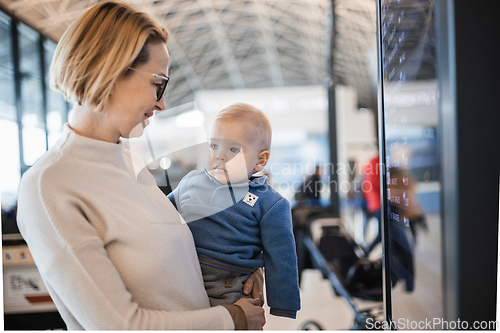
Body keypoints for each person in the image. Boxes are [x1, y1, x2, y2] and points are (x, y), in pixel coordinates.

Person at [16, 1, 265, 330]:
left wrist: (234, 268)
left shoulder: (125, 160)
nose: (162, 103)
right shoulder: (50, 186)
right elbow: (120, 325)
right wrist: (231, 319)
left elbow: (170, 271)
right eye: (157, 83)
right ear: (111, 71)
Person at [168, 103, 301, 319]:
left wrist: (284, 303)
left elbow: (281, 256)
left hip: (228, 285)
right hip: (180, 275)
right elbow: (161, 209)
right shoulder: (191, 182)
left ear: (260, 160)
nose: (219, 156)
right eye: (214, 147)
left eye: (232, 149)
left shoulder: (269, 202)